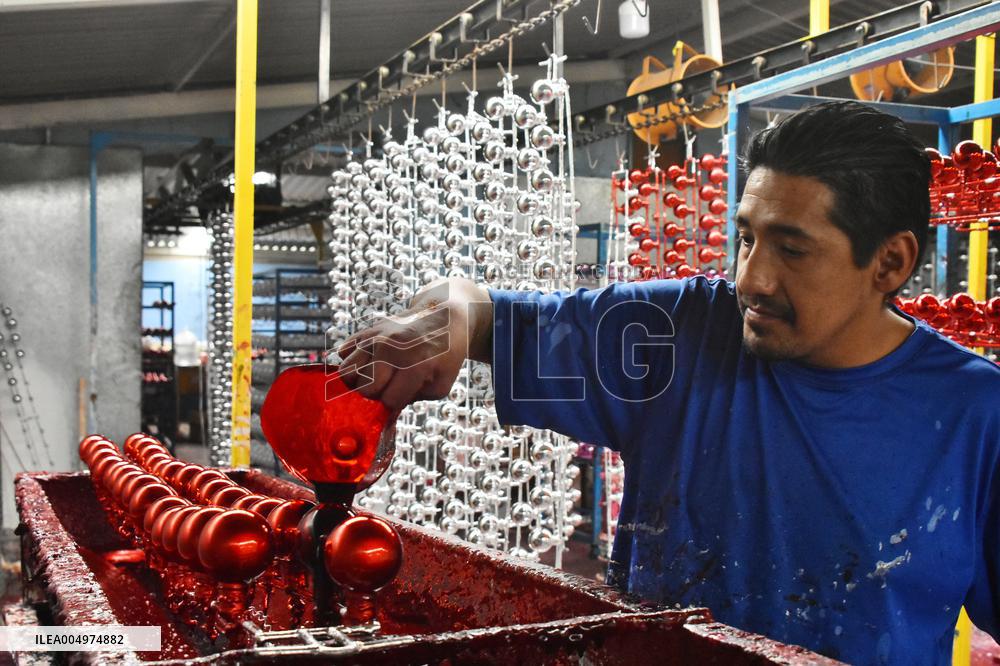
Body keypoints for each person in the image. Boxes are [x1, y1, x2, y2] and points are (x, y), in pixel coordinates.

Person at [338, 101, 1000, 665]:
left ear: (890, 262)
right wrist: (444, 321)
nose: (750, 280)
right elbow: (484, 314)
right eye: (746, 239)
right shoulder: (676, 337)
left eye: (791, 249)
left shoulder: (976, 416)